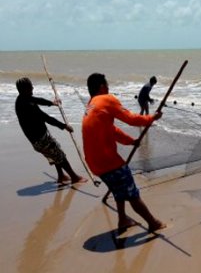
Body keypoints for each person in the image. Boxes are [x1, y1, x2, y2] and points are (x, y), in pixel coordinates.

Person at [82, 73, 166, 233]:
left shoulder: (91, 105)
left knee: (118, 189)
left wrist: (131, 141)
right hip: (108, 162)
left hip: (94, 164)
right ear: (102, 86)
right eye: (107, 84)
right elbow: (131, 119)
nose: (108, 87)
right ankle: (153, 223)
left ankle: (122, 220)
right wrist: (152, 118)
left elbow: (111, 131)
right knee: (132, 193)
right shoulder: (107, 99)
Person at [15, 77, 87, 185]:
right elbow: (45, 118)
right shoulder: (27, 105)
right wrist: (64, 126)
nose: (33, 87)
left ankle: (61, 176)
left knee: (54, 153)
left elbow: (38, 100)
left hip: (37, 139)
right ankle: (74, 177)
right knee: (59, 155)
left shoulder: (22, 99)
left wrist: (52, 103)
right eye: (30, 86)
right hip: (40, 140)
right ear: (25, 89)